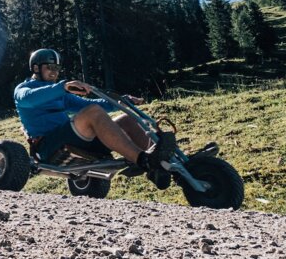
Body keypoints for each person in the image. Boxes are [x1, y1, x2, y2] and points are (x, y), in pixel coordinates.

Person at [13, 49, 175, 187]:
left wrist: (122, 101)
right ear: (36, 68)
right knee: (93, 112)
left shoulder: (61, 94)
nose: (54, 72)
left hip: (74, 140)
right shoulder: (23, 89)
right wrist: (63, 87)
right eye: (49, 67)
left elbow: (91, 104)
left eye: (57, 68)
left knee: (127, 119)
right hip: (49, 146)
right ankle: (143, 159)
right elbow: (30, 98)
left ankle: (161, 163)